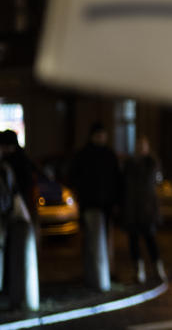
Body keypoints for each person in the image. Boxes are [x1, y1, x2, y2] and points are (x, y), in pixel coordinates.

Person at [69, 122, 121, 290]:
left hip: (104, 204)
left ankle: (105, 272)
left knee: (105, 239)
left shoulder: (107, 154)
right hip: (91, 203)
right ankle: (94, 273)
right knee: (92, 239)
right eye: (99, 135)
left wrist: (115, 201)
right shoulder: (85, 155)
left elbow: (116, 180)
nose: (102, 138)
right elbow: (75, 176)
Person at [121, 136, 165, 283]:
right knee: (134, 242)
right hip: (133, 210)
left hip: (147, 210)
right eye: (139, 145)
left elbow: (153, 186)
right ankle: (139, 271)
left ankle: (157, 268)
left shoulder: (151, 163)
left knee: (150, 240)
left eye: (143, 145)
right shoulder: (130, 165)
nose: (140, 148)